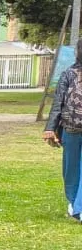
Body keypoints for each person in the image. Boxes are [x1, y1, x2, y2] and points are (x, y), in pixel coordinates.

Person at [43, 59, 82, 219]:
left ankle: (77, 206)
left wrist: (50, 128)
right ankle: (76, 205)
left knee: (72, 168)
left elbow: (58, 103)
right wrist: (50, 128)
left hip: (71, 127)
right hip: (70, 128)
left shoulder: (68, 73)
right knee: (73, 169)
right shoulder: (68, 74)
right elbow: (58, 103)